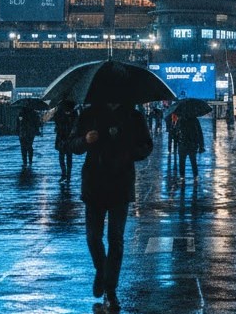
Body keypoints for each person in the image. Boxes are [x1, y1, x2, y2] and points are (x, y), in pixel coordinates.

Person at [67, 102, 153, 312]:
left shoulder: (133, 116)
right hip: (94, 185)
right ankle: (101, 269)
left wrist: (128, 150)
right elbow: (69, 144)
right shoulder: (89, 114)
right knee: (93, 237)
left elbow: (146, 146)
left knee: (116, 239)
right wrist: (85, 141)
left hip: (120, 185)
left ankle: (110, 289)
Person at [54, 100, 78, 182]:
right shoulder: (72, 113)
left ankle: (65, 175)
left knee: (64, 157)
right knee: (67, 157)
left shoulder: (62, 113)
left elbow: (57, 122)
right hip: (66, 137)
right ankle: (66, 175)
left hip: (65, 137)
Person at [175, 113, 205, 182]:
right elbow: (199, 133)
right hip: (192, 144)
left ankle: (182, 176)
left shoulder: (180, 120)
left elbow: (175, 132)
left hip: (183, 144)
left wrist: (177, 141)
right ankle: (195, 176)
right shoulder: (195, 120)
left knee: (182, 161)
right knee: (193, 161)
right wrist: (201, 145)